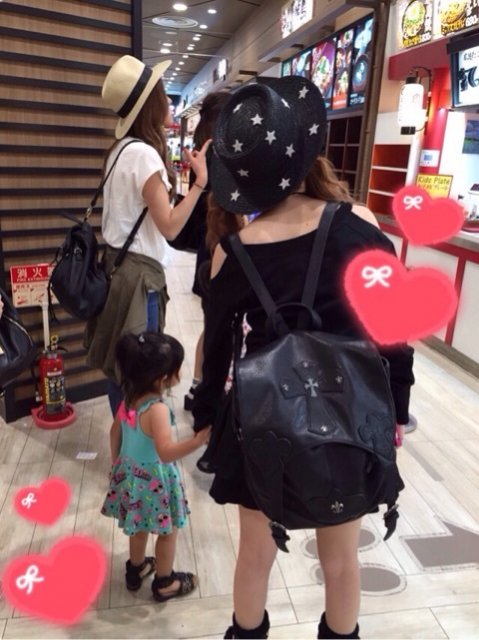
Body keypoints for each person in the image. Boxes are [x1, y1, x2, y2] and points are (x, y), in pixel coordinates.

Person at [192, 77, 414, 639]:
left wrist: (206, 417)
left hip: (261, 422)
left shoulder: (232, 253)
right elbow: (395, 332)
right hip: (347, 416)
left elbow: (215, 354)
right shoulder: (362, 227)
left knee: (254, 555)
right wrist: (396, 409)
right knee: (340, 560)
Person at [84, 54, 211, 416]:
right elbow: (170, 226)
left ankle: (125, 440)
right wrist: (200, 183)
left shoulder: (120, 150)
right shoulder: (144, 155)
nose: (168, 100)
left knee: (122, 366)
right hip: (140, 279)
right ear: (150, 104)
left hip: (117, 271)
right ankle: (140, 443)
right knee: (142, 372)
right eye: (161, 92)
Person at [101, 331, 210, 601]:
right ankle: (165, 582)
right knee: (168, 532)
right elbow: (166, 452)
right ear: (162, 378)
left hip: (132, 477)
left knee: (138, 528)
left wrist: (116, 465)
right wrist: (197, 441)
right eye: (177, 369)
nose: (179, 374)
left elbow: (114, 433)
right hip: (155, 483)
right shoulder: (157, 410)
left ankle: (136, 569)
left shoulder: (128, 398)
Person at [183, 91, 235, 412]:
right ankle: (209, 391)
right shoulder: (223, 149)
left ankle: (197, 385)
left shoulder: (202, 148)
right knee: (220, 326)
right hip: (224, 243)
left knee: (211, 321)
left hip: (208, 244)